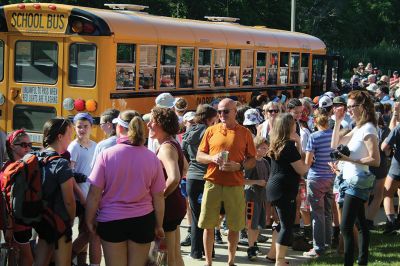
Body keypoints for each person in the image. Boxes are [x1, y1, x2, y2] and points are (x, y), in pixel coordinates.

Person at [86, 110, 165, 266]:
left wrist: (89, 219)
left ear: (119, 128)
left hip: (111, 221)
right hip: (142, 221)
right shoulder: (152, 158)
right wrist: (159, 225)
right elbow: (159, 196)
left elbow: (94, 194)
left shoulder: (106, 155)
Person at [196, 98, 256, 266]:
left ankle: (231, 262)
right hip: (212, 182)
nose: (221, 114)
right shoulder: (211, 130)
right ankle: (208, 262)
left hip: (235, 184)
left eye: (226, 111)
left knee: (235, 226)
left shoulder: (244, 133)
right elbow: (199, 156)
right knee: (208, 225)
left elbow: (253, 159)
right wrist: (212, 158)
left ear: (235, 112)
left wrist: (239, 166)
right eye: (219, 111)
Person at [331, 90, 380, 266]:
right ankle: (362, 261)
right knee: (360, 224)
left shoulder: (368, 129)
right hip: (349, 180)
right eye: (347, 106)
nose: (349, 110)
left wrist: (348, 159)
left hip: (357, 182)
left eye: (352, 106)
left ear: (363, 106)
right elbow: (335, 144)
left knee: (346, 226)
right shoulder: (358, 127)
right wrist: (337, 122)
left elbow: (376, 160)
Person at [266, 113, 309, 266]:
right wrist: (309, 160)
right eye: (293, 123)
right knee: (286, 225)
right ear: (289, 127)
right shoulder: (288, 147)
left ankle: (272, 255)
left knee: (281, 224)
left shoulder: (277, 143)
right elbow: (302, 169)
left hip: (274, 187)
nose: (295, 125)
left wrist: (297, 142)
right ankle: (280, 260)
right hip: (284, 189)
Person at [147, 107, 188, 266]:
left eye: (152, 122)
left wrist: (161, 195)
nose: (149, 125)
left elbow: (175, 177)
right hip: (175, 203)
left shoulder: (165, 147)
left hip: (168, 207)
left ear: (162, 124)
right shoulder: (172, 142)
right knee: (176, 255)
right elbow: (185, 167)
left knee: (168, 258)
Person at [34, 118, 76, 266]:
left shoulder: (36, 158)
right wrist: (71, 219)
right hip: (60, 223)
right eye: (69, 135)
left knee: (40, 262)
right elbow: (69, 200)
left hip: (42, 220)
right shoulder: (61, 164)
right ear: (60, 137)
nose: (71, 139)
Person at [182, 104, 218, 260]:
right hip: (206, 176)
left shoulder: (189, 131)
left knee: (196, 215)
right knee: (209, 215)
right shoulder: (210, 132)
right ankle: (209, 250)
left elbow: (183, 152)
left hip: (191, 177)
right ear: (210, 118)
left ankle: (195, 251)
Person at [68, 113, 100, 266]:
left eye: (85, 126)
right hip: (76, 195)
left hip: (90, 194)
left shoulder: (95, 146)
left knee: (86, 230)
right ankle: (70, 255)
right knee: (87, 230)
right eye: (79, 126)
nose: (82, 129)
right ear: (75, 128)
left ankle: (80, 261)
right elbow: (69, 172)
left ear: (91, 127)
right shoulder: (74, 146)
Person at [303, 108, 334, 258]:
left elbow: (308, 161)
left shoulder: (314, 136)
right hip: (330, 177)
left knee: (317, 214)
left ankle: (318, 247)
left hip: (316, 178)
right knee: (327, 213)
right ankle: (328, 243)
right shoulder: (334, 135)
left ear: (315, 121)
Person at [1, 129, 34, 266]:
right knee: (27, 258)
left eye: (29, 144)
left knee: (15, 255)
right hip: (16, 223)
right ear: (13, 146)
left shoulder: (22, 166)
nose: (28, 148)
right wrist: (9, 228)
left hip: (22, 220)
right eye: (24, 145)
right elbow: (5, 200)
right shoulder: (10, 170)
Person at [244, 136, 269, 261]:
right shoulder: (250, 162)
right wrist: (257, 182)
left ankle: (254, 244)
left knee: (258, 224)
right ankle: (251, 248)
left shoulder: (264, 162)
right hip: (251, 197)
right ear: (256, 148)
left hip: (261, 197)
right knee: (251, 224)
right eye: (263, 148)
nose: (266, 150)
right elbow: (242, 180)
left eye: (266, 148)